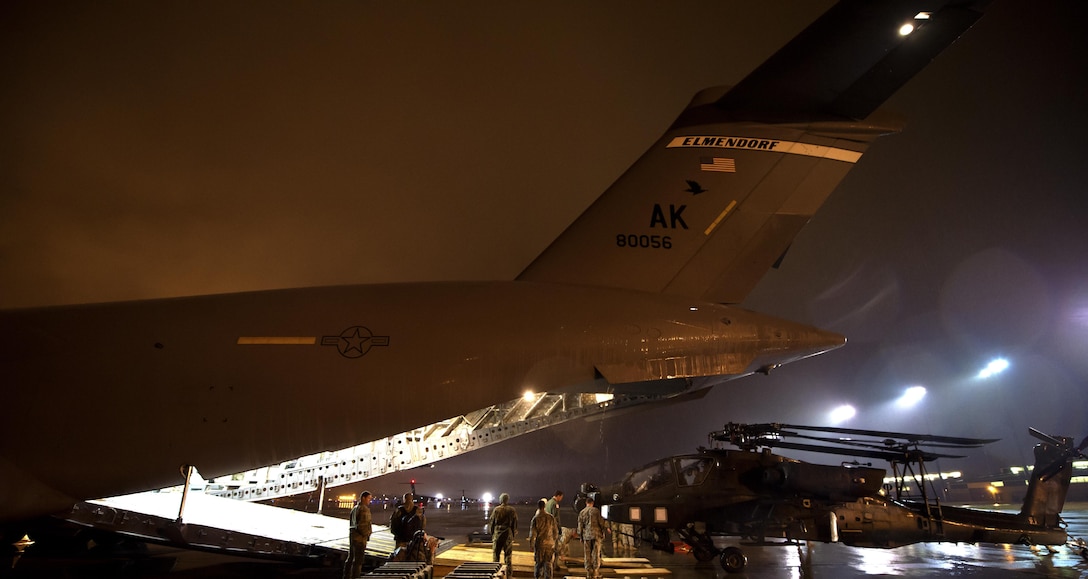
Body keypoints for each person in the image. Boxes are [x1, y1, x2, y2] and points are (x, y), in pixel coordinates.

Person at [488, 492, 519, 577]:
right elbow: (514, 524)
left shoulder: (496, 510)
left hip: (497, 534)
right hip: (507, 535)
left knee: (496, 555)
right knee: (508, 556)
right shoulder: (512, 510)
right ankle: (509, 575)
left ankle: (495, 575)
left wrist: (492, 533)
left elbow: (492, 523)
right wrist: (513, 534)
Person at [577, 496, 608, 579]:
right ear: (592, 503)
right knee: (596, 554)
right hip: (596, 535)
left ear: (586, 503)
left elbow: (580, 526)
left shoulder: (582, 512)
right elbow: (601, 522)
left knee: (587, 554)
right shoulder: (596, 511)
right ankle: (595, 573)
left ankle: (588, 572)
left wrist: (580, 536)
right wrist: (604, 531)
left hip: (586, 536)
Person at [344, 491, 372, 579]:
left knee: (350, 557)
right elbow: (362, 526)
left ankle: (346, 576)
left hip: (353, 537)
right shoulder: (364, 509)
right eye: (368, 498)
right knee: (358, 561)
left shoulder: (355, 508)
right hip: (360, 539)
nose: (369, 501)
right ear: (363, 498)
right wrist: (367, 534)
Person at [529, 499, 559, 579]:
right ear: (545, 506)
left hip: (540, 544)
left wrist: (531, 544)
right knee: (548, 564)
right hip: (550, 544)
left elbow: (533, 534)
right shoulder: (551, 517)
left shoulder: (536, 519)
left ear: (538, 507)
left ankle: (538, 577)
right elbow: (555, 531)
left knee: (539, 563)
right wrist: (554, 542)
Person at [544, 490, 571, 569]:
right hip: (553, 529)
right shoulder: (555, 504)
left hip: (547, 528)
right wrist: (559, 528)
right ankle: (554, 565)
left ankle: (547, 564)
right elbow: (556, 517)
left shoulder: (548, 503)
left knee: (547, 547)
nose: (561, 499)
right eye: (561, 497)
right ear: (558, 496)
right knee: (555, 548)